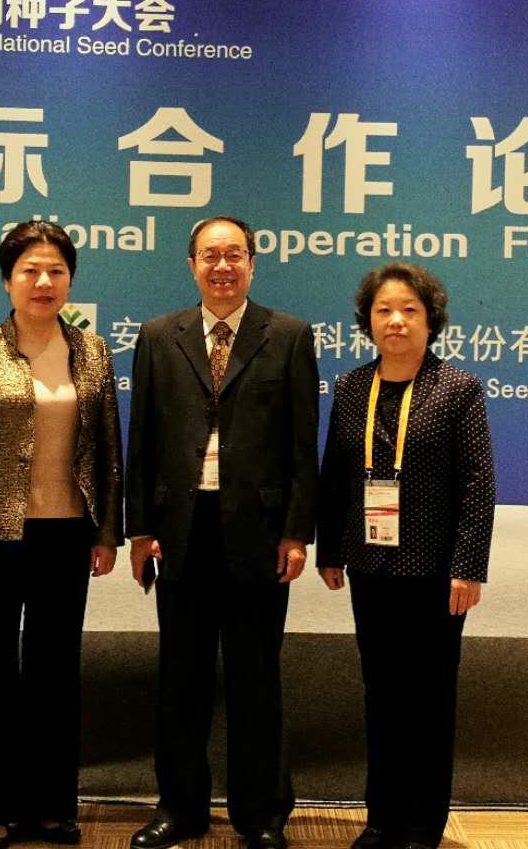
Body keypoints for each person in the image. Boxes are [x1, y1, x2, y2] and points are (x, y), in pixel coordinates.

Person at [125, 216, 319, 849]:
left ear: (253, 264)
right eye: (210, 256)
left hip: (258, 534)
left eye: (234, 254)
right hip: (180, 531)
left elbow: (302, 444)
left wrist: (296, 532)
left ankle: (261, 814)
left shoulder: (288, 336)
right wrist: (139, 530)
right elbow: (142, 438)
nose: (222, 266)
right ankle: (179, 808)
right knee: (180, 678)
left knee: (255, 678)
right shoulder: (159, 336)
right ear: (192, 266)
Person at [0, 220, 123, 849]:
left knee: (54, 672)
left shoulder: (92, 352)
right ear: (8, 280)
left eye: (57, 271)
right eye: (30, 271)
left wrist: (107, 534)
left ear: (70, 280)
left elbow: (107, 451)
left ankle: (49, 807)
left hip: (67, 536)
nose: (44, 282)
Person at [316, 262, 495, 849]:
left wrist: (468, 567)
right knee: (383, 694)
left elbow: (478, 485)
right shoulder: (351, 388)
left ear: (431, 320)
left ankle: (422, 825)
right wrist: (330, 549)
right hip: (370, 566)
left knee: (429, 698)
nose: (396, 321)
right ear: (367, 321)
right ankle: (383, 819)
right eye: (384, 310)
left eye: (409, 310)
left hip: (436, 573)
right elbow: (335, 474)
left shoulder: (458, 389)